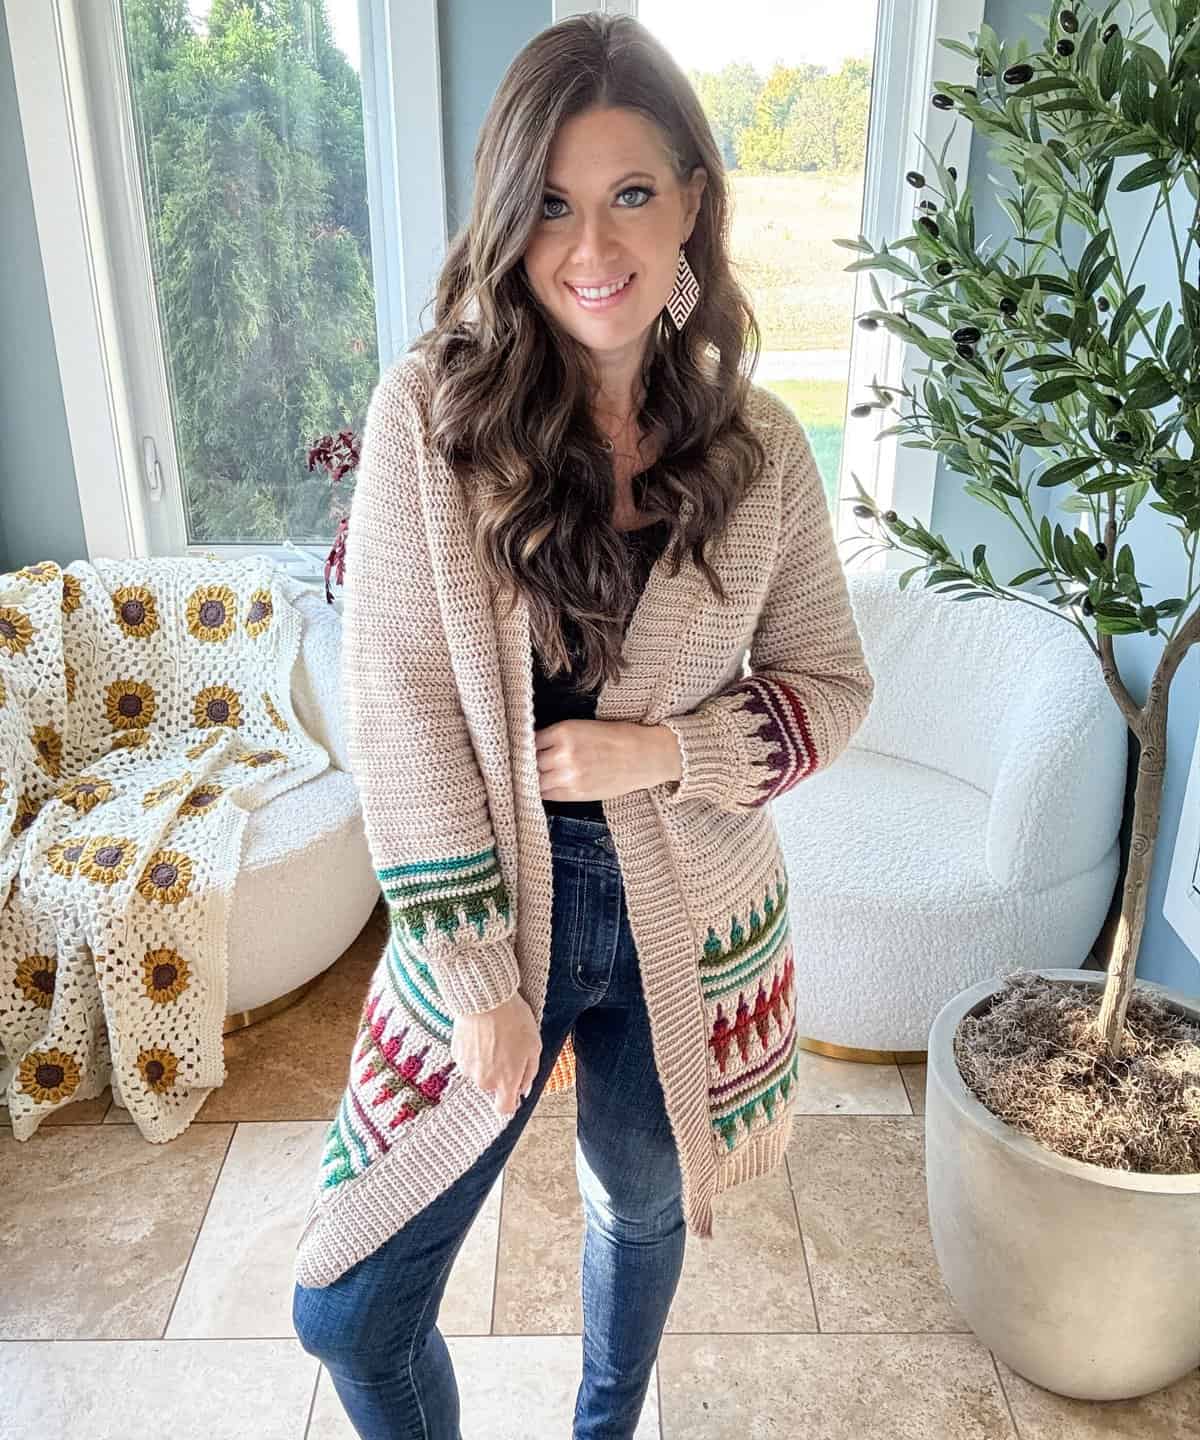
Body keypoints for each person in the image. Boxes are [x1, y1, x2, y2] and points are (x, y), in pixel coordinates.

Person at [291, 12, 875, 1439]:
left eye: (630, 195)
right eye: (550, 201)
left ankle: (606, 1423)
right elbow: (405, 699)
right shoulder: (435, 415)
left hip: (693, 899)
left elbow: (832, 687)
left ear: (691, 208)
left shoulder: (759, 450)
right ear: (508, 215)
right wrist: (477, 966)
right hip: (502, 910)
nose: (591, 244)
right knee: (351, 1307)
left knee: (645, 1192)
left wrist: (668, 751)